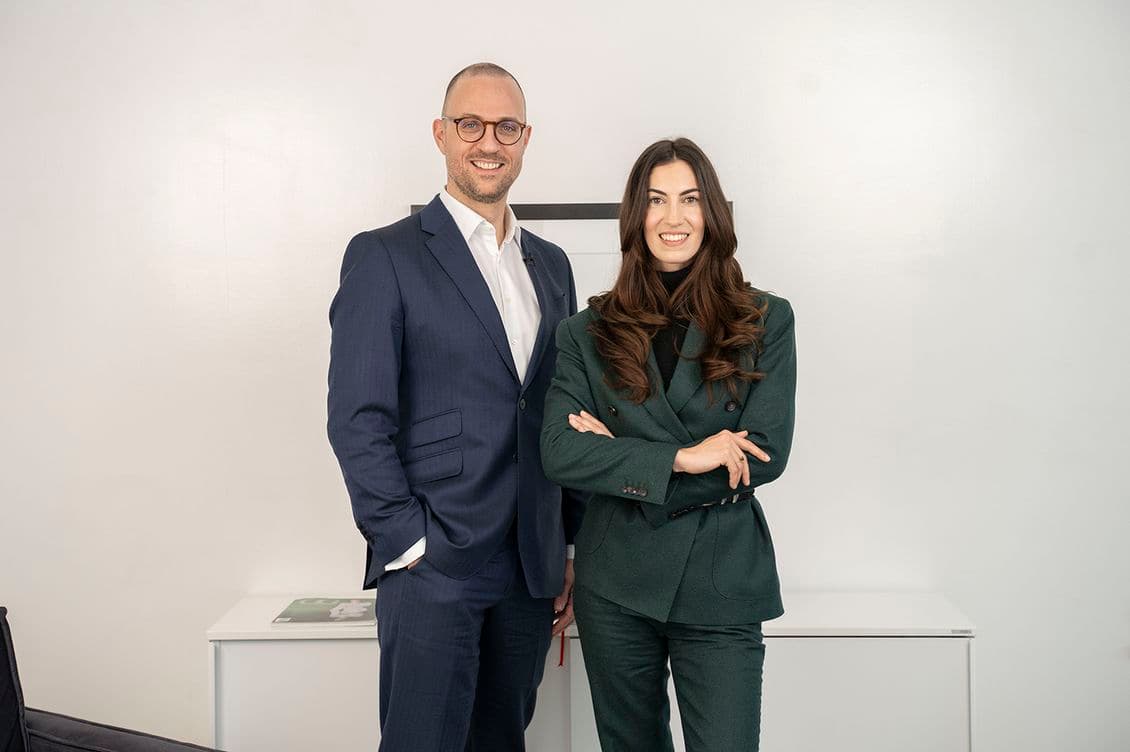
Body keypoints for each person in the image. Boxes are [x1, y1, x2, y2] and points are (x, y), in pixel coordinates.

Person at [327, 62, 585, 752]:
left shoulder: (553, 265)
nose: (488, 141)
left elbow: (561, 409)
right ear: (442, 134)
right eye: (470, 124)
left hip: (530, 568)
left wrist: (563, 545)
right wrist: (409, 543)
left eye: (506, 126)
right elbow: (357, 418)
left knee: (503, 743)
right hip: (435, 562)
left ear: (525, 138)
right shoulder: (385, 257)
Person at [540, 137, 796, 752]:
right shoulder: (586, 330)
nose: (673, 218)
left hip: (721, 578)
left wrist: (621, 455)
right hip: (615, 586)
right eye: (656, 201)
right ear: (636, 215)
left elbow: (764, 454)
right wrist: (682, 455)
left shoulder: (765, 319)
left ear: (712, 213)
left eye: (689, 199)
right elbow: (558, 450)